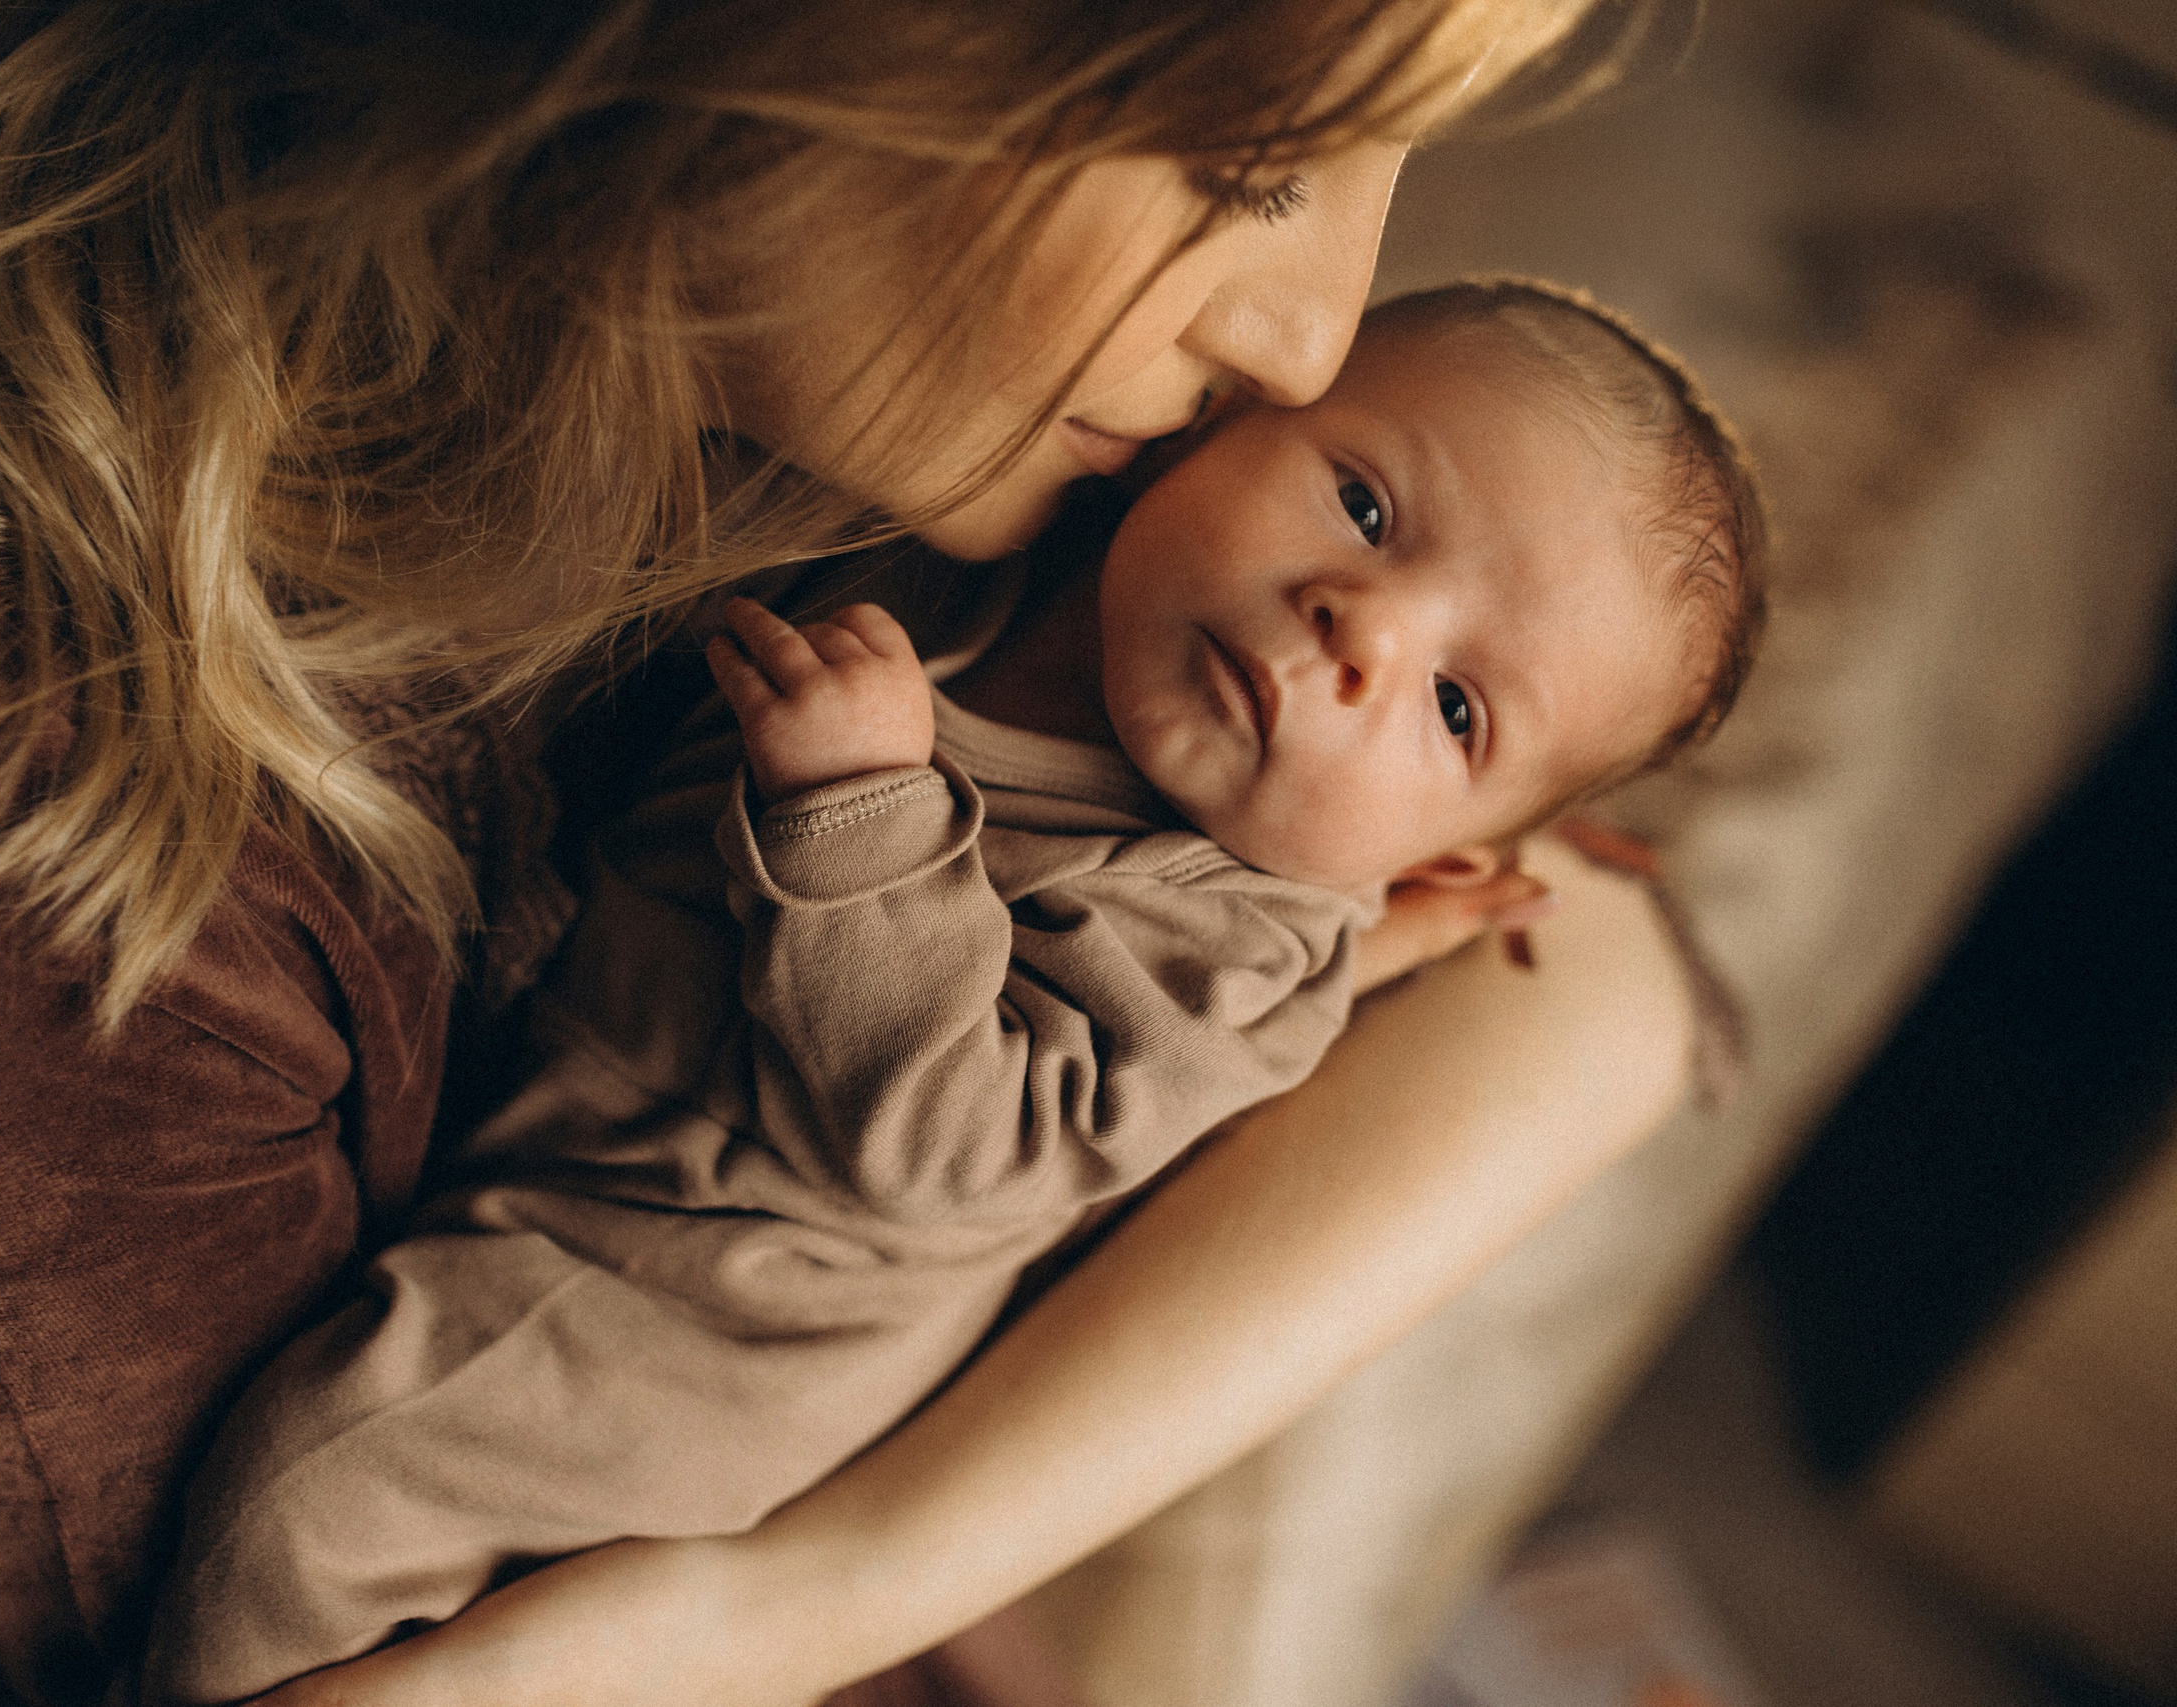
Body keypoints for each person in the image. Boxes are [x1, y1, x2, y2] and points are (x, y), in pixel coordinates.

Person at [0, 5, 1696, 1706]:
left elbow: (1598, 972)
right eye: (1249, 153)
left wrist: (825, 1585)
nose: (1312, 337)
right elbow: (320, 1625)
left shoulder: (937, 471)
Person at [149, 279, 1763, 1704]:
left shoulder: (1241, 943)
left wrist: (863, 819)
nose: (1366, 624)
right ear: (1218, 429)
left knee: (299, 1526)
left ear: (1443, 861)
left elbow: (950, 1151)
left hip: (682, 1324)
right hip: (569, 1110)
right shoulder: (980, 584)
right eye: (1361, 501)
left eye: (1460, 710)